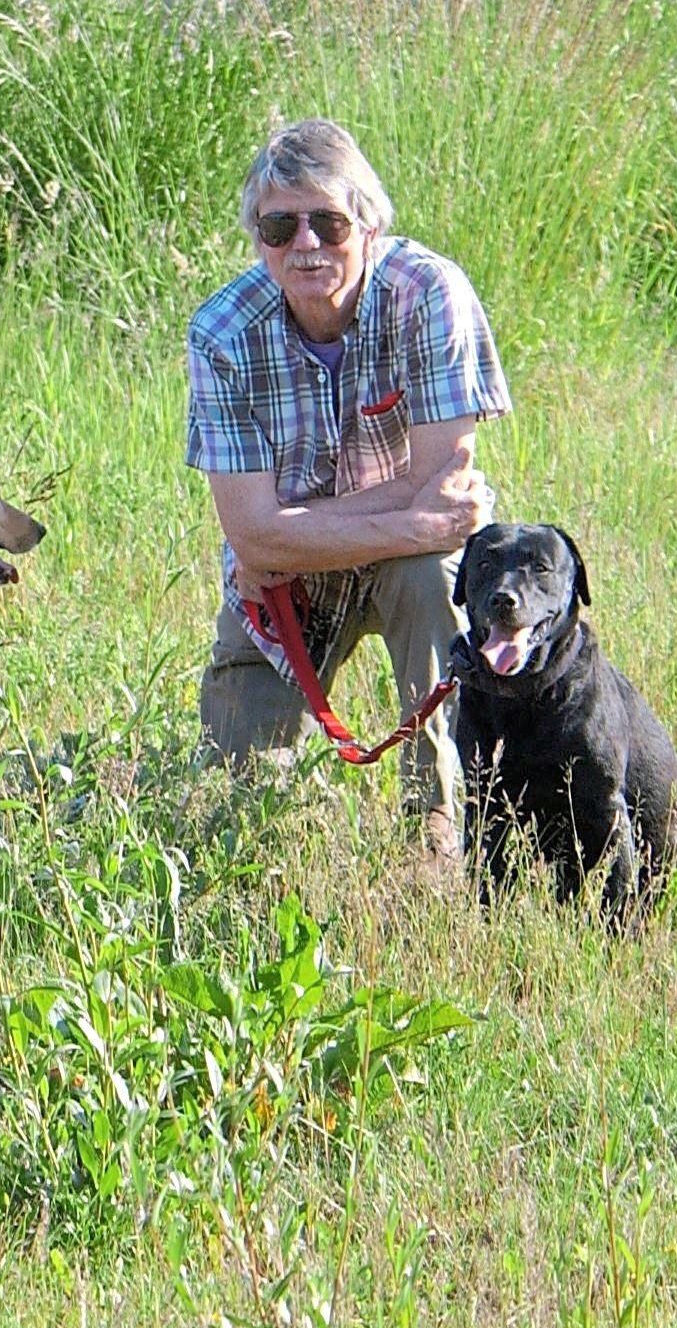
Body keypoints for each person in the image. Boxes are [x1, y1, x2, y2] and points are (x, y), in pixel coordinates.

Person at [186, 119, 510, 859]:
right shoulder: (220, 333)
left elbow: (446, 486)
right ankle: (289, 839)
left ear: (368, 223)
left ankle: (436, 827)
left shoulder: (430, 293)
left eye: (328, 222)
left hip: (402, 568)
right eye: (279, 225)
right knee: (233, 822)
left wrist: (289, 528)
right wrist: (408, 516)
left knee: (431, 575)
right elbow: (253, 539)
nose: (305, 245)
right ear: (259, 238)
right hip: (285, 593)